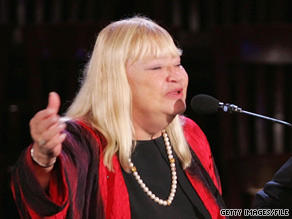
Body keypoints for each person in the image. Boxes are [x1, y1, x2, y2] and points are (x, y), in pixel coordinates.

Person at [11, 16, 227, 218]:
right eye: (157, 67)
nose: (176, 76)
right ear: (117, 81)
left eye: (178, 63)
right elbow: (43, 206)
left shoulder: (189, 135)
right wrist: (42, 158)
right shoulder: (79, 143)